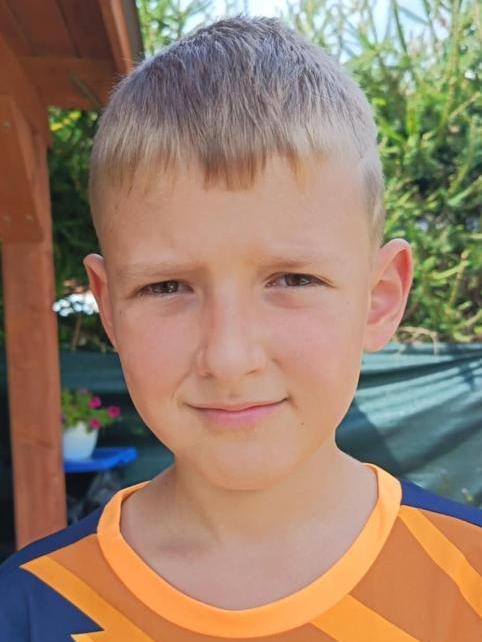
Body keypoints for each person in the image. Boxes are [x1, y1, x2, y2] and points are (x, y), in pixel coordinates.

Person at [0, 14, 480, 642]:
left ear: (379, 299)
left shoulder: (468, 579)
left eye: (292, 280)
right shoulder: (28, 610)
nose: (229, 356)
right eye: (166, 287)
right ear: (109, 307)